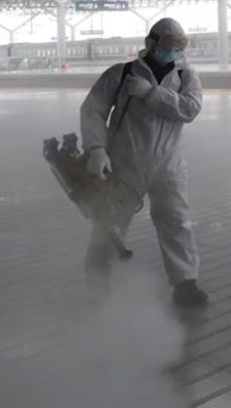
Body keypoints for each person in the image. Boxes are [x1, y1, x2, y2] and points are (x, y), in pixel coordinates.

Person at [80, 18, 208, 307]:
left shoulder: (187, 76)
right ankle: (97, 285)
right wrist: (96, 148)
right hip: (124, 164)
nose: (173, 53)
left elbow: (190, 109)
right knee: (109, 223)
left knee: (176, 223)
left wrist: (152, 94)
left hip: (169, 166)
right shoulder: (121, 74)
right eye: (167, 47)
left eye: (178, 48)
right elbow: (92, 111)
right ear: (150, 44)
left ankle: (186, 283)